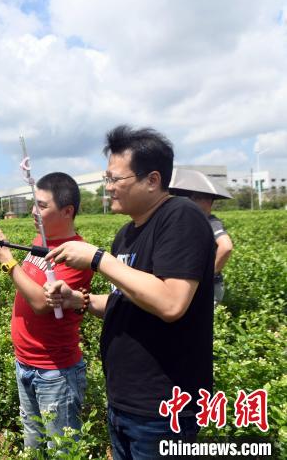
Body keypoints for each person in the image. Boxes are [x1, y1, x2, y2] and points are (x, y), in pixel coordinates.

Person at [43, 126, 215, 459]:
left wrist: (97, 259)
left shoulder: (181, 217)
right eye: (106, 179)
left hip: (164, 408)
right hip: (125, 401)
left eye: (115, 180)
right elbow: (129, 300)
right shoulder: (126, 235)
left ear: (152, 179)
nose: (108, 188)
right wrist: (79, 300)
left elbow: (170, 302)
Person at [0, 172, 92, 451]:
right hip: (25, 363)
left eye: (42, 206)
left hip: (55, 372)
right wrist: (5, 246)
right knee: (33, 443)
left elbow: (42, 303)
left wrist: (7, 262)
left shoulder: (75, 253)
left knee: (63, 450)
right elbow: (29, 284)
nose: (34, 211)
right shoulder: (39, 241)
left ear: (67, 211)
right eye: (35, 203)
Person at [168, 171, 234, 306]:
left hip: (207, 286)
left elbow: (226, 247)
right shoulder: (188, 222)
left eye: (196, 198)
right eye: (190, 198)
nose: (191, 202)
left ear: (209, 201)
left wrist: (209, 275)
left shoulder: (211, 222)